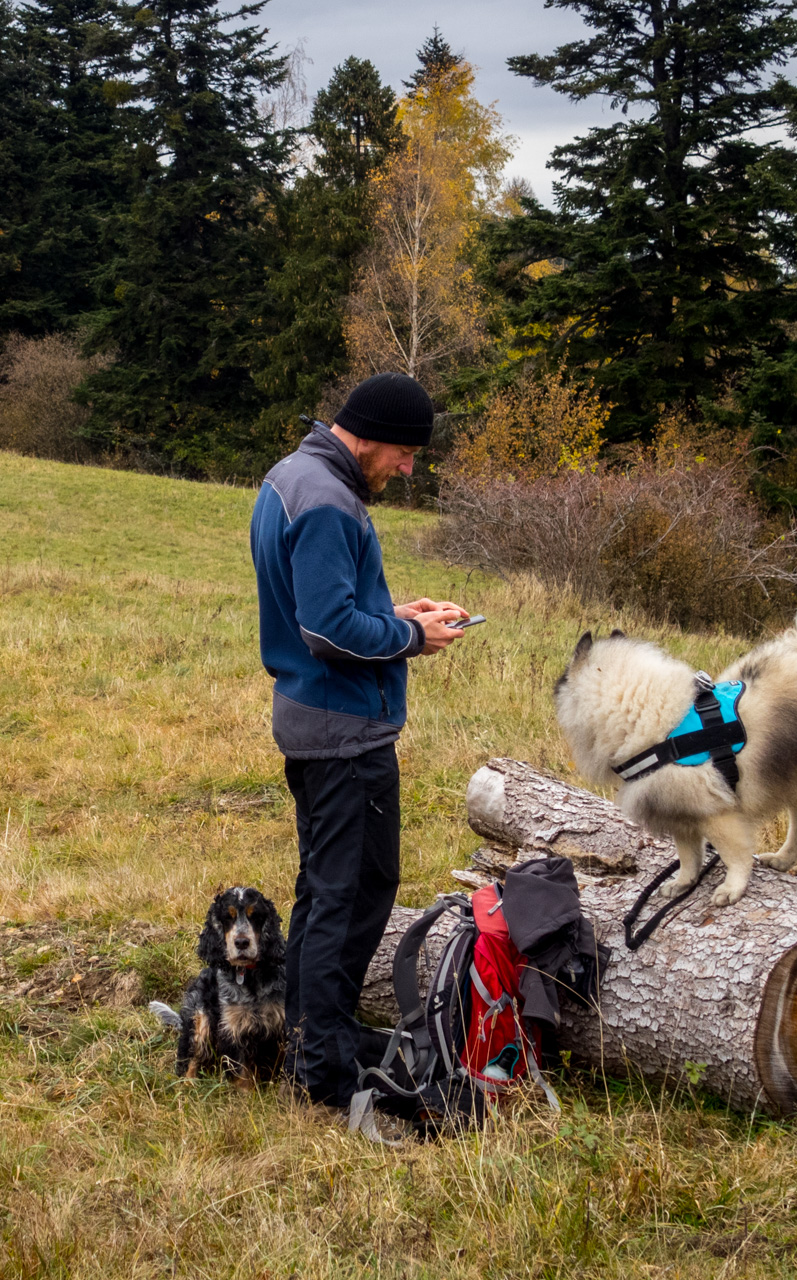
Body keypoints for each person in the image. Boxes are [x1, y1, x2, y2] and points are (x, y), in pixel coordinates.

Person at [248, 372, 469, 1109]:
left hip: (315, 723)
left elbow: (325, 603)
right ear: (369, 434)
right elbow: (324, 629)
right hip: (345, 738)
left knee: (324, 892)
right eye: (404, 454)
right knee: (356, 896)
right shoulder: (330, 502)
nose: (406, 469)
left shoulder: (293, 477)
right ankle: (326, 1075)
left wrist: (394, 608)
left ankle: (307, 1037)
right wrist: (413, 636)